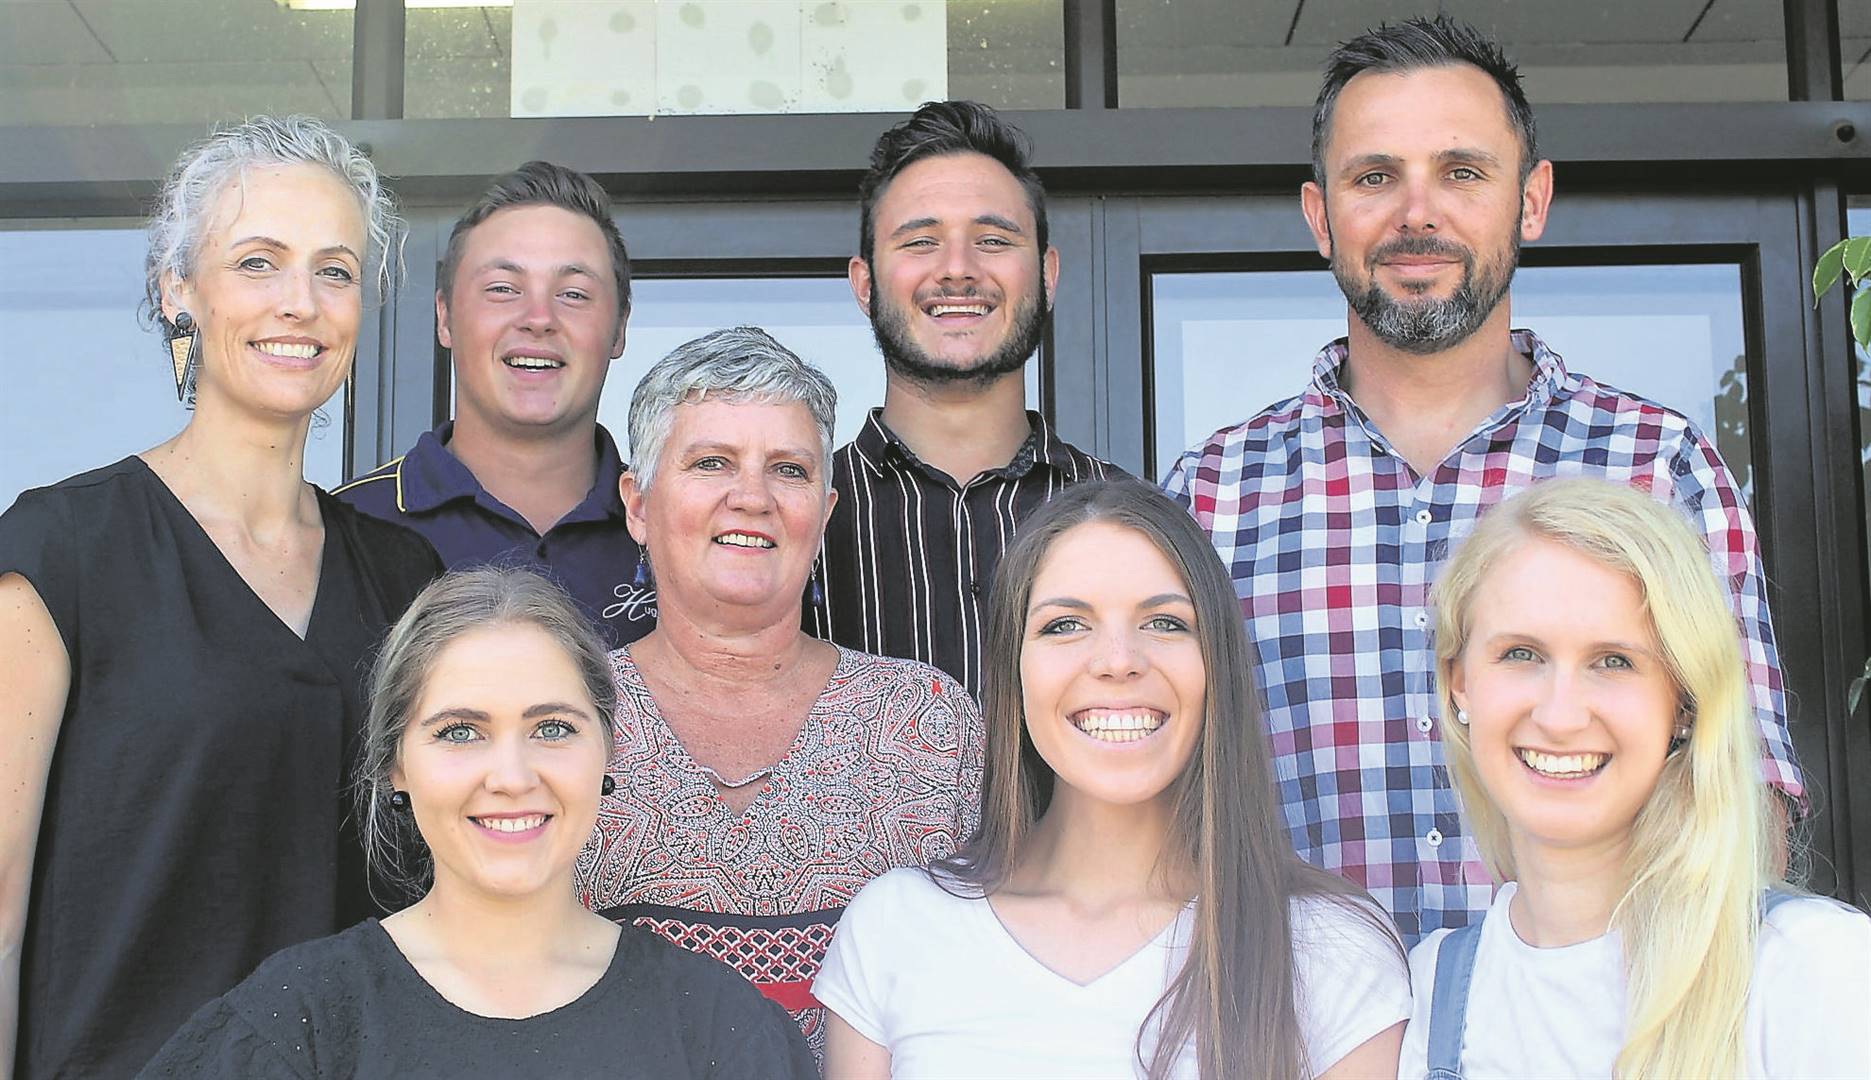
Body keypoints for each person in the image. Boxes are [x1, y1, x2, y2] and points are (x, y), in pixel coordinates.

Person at [1162, 15, 1801, 941]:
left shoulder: (1656, 467)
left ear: (1530, 200)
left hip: (1600, 1015)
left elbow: (1743, 790)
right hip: (1297, 1017)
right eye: (1374, 177)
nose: (1417, 213)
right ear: (1319, 215)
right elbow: (1159, 811)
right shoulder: (1213, 493)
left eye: (1461, 172)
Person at [0, 116, 442, 1077]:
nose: (301, 302)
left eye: (334, 271)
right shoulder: (61, 550)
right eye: (257, 263)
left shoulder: (407, 581)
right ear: (178, 290)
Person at [816, 480, 1409, 1080]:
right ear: (1012, 670)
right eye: (1065, 625)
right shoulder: (897, 928)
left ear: (1217, 664)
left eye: (1166, 623)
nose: (1119, 659)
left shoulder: (1335, 946)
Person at [140, 567, 816, 1078]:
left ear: (607, 751)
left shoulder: (720, 1031)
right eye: (460, 732)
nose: (512, 776)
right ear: (396, 766)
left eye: (552, 728)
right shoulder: (299, 1025)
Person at [575, 326, 985, 1060]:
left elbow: (988, 992)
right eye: (711, 462)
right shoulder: (561, 716)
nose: (752, 497)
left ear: (822, 514)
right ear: (637, 504)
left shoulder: (928, 720)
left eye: (788, 470)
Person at [1401, 477, 1870, 1078]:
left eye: (1613, 661)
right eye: (1521, 654)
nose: (1560, 716)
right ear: (1459, 683)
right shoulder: (1431, 995)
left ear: (1683, 702)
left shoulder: (1811, 969)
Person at [811, 100, 1118, 697]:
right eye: (921, 242)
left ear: (1047, 276)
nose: (957, 269)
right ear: (864, 284)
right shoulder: (795, 517)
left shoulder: (1128, 517)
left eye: (993, 240)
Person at [336, 161, 655, 648]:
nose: (539, 318)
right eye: (503, 289)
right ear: (445, 317)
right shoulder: (345, 530)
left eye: (574, 294)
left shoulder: (672, 529)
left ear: (619, 328)